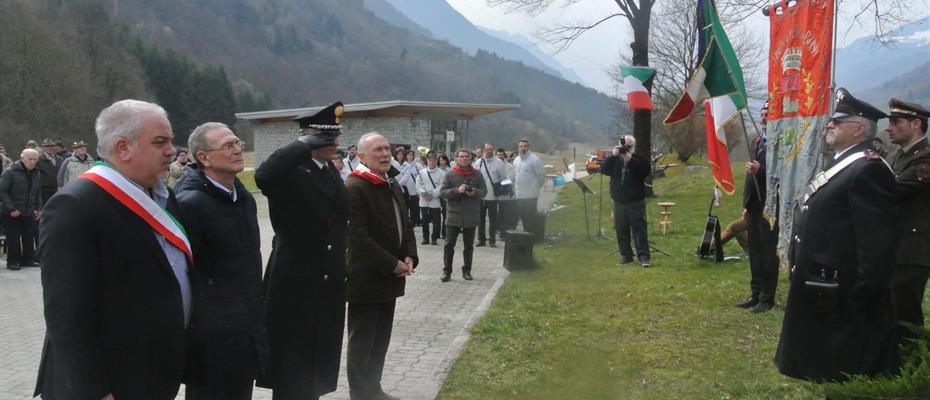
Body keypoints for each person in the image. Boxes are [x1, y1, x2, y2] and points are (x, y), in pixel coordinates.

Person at [34, 99, 190, 399]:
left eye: (170, 140)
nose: (172, 150)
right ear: (123, 148)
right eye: (160, 142)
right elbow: (66, 314)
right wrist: (94, 391)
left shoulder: (163, 195)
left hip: (152, 374)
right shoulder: (75, 205)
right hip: (109, 383)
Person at [775, 88, 899, 382]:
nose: (830, 124)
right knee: (829, 368)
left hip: (844, 290)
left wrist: (862, 292)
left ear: (858, 129)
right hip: (825, 282)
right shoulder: (845, 162)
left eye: (838, 121)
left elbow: (877, 242)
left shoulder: (869, 170)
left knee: (844, 369)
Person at [255, 101, 349, 400]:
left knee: (317, 359)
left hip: (326, 278)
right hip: (295, 279)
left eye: (336, 137)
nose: (334, 143)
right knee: (292, 363)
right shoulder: (291, 171)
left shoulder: (328, 171)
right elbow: (263, 177)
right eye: (326, 138)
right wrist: (300, 146)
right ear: (308, 139)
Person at [175, 122, 268, 399]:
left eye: (237, 142)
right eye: (227, 146)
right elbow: (184, 274)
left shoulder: (243, 199)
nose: (238, 150)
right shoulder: (190, 203)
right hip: (211, 337)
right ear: (203, 157)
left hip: (245, 327)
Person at [345, 132, 418, 400]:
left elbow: (406, 224)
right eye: (378, 150)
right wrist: (393, 264)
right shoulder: (355, 187)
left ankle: (374, 389)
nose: (385, 153)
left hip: (392, 276)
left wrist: (410, 255)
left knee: (380, 339)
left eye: (387, 148)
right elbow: (357, 238)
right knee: (363, 339)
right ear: (361, 156)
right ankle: (361, 393)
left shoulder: (391, 183)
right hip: (366, 277)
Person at [884, 98, 930, 341]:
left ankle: (913, 371)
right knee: (889, 313)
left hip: (912, 251)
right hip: (893, 246)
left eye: (895, 122)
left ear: (916, 124)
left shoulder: (925, 159)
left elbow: (890, 190)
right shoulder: (894, 157)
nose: (888, 128)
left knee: (907, 318)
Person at [736, 101, 780, 313]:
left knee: (767, 252)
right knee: (754, 250)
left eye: (768, 113)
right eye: (762, 113)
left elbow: (783, 172)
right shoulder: (757, 140)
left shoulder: (781, 142)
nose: (763, 117)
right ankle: (755, 293)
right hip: (754, 204)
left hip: (770, 204)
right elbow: (749, 176)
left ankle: (767, 297)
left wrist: (760, 169)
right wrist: (746, 203)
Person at [600, 135, 652, 267]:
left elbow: (645, 171)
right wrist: (612, 156)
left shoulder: (638, 159)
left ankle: (644, 257)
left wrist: (630, 160)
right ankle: (626, 256)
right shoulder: (615, 159)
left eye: (628, 147)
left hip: (635, 200)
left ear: (633, 147)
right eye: (624, 147)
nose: (625, 149)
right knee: (621, 229)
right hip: (619, 200)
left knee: (639, 229)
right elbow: (604, 170)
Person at [440, 149, 487, 282]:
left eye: (467, 156)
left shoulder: (477, 174)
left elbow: (484, 191)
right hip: (453, 215)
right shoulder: (450, 175)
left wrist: (474, 192)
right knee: (449, 245)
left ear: (471, 159)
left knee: (469, 246)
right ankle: (447, 272)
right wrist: (457, 190)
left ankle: (467, 271)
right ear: (456, 159)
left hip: (470, 215)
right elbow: (443, 192)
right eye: (461, 156)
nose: (464, 159)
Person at [0, 148, 42, 270]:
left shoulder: (36, 173)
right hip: (11, 212)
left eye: (35, 159)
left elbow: (37, 192)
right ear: (22, 158)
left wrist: (39, 208)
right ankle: (13, 261)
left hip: (29, 210)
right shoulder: (10, 172)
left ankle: (27, 259)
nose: (33, 162)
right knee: (13, 237)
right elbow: (2, 191)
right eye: (30, 159)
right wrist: (12, 209)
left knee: (29, 236)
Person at [474, 142, 509, 248]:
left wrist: (501, 190)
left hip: (493, 196)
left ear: (493, 150)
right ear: (483, 150)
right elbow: (475, 177)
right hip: (481, 196)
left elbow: (503, 178)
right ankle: (481, 239)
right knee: (480, 219)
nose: (489, 151)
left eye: (490, 149)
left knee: (493, 219)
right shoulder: (478, 162)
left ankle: (492, 240)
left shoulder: (499, 163)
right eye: (487, 149)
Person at [512, 139, 545, 238]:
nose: (523, 148)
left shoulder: (535, 159)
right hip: (519, 194)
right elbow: (515, 176)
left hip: (531, 195)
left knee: (530, 217)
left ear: (528, 147)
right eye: (521, 146)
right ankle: (527, 236)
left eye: (525, 146)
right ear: (518, 148)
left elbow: (541, 175)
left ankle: (532, 237)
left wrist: (536, 187)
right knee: (523, 217)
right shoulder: (516, 160)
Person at [416, 153, 445, 245]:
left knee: (436, 221)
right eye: (430, 160)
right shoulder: (422, 172)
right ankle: (425, 238)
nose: (432, 162)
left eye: (434, 160)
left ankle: (434, 238)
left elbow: (442, 186)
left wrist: (432, 194)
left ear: (437, 161)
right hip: (424, 199)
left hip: (435, 200)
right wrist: (423, 193)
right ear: (427, 161)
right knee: (424, 220)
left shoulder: (441, 173)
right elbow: (418, 184)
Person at [495, 147, 518, 237]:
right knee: (498, 215)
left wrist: (498, 183)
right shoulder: (494, 165)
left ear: (504, 155)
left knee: (505, 215)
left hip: (507, 195)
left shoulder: (509, 166)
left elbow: (510, 179)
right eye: (498, 155)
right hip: (496, 195)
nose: (500, 156)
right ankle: (498, 229)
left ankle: (504, 233)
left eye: (501, 155)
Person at [36, 138, 63, 205]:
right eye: (47, 146)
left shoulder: (60, 159)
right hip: (44, 191)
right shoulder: (38, 160)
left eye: (52, 146)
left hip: (58, 190)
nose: (50, 148)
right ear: (43, 148)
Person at [398, 149, 421, 226]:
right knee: (405, 207)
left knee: (414, 208)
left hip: (414, 189)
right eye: (408, 155)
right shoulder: (402, 165)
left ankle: (413, 222)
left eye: (411, 155)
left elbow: (422, 176)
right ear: (406, 156)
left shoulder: (417, 165)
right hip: (405, 190)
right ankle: (406, 222)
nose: (410, 156)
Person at [437, 153, 451, 239]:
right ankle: (436, 233)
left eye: (444, 160)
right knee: (436, 215)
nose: (442, 162)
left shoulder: (449, 170)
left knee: (445, 214)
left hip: (445, 194)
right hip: (437, 194)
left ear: (446, 161)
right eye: (441, 160)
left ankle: (444, 233)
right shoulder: (436, 170)